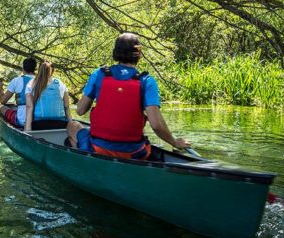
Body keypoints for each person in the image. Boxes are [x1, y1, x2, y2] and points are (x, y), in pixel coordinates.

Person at [67, 32, 191, 160]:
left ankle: (85, 160)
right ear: (139, 54)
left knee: (73, 126)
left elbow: (80, 110)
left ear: (115, 52)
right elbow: (156, 125)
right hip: (135, 153)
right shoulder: (147, 81)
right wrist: (174, 142)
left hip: (97, 149)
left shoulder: (98, 74)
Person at [25, 61, 70, 131]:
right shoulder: (61, 84)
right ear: (52, 71)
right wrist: (71, 126)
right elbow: (67, 107)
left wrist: (27, 130)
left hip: (39, 125)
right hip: (60, 125)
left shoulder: (31, 83)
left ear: (39, 70)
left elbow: (29, 107)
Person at [0, 57, 37, 127]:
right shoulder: (42, 81)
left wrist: (0, 88)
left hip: (22, 119)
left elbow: (3, 101)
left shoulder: (16, 80)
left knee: (2, 108)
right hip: (38, 119)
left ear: (23, 68)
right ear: (35, 69)